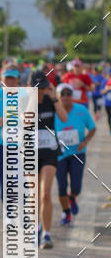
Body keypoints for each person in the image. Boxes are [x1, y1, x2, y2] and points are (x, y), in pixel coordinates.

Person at [31, 70, 68, 248]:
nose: (41, 92)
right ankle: (35, 227)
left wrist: (54, 98)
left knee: (46, 193)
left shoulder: (50, 100)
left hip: (50, 150)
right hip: (31, 151)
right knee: (34, 195)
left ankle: (46, 234)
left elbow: (63, 117)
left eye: (43, 88)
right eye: (38, 89)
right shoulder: (25, 102)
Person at [54, 83, 96, 224]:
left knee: (76, 186)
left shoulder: (81, 110)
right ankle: (66, 213)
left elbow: (93, 128)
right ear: (58, 97)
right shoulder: (53, 112)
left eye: (68, 94)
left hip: (78, 153)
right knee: (61, 186)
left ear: (72, 96)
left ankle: (72, 197)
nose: (66, 97)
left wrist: (85, 142)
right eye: (62, 94)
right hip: (59, 155)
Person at [0, 66, 21, 200]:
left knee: (20, 182)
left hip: (21, 146)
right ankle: (10, 214)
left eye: (13, 79)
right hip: (0, 144)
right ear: (1, 79)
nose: (10, 82)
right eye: (7, 78)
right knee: (5, 183)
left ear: (18, 79)